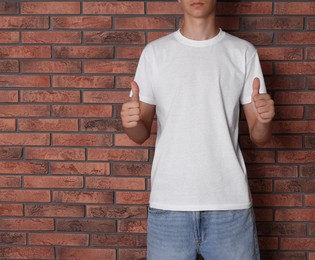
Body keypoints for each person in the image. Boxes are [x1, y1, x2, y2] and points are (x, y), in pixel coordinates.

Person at [121, 0, 275, 259]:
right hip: (169, 207)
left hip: (230, 207)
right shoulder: (155, 53)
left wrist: (265, 120)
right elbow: (140, 134)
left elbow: (260, 136)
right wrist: (131, 123)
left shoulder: (242, 52)